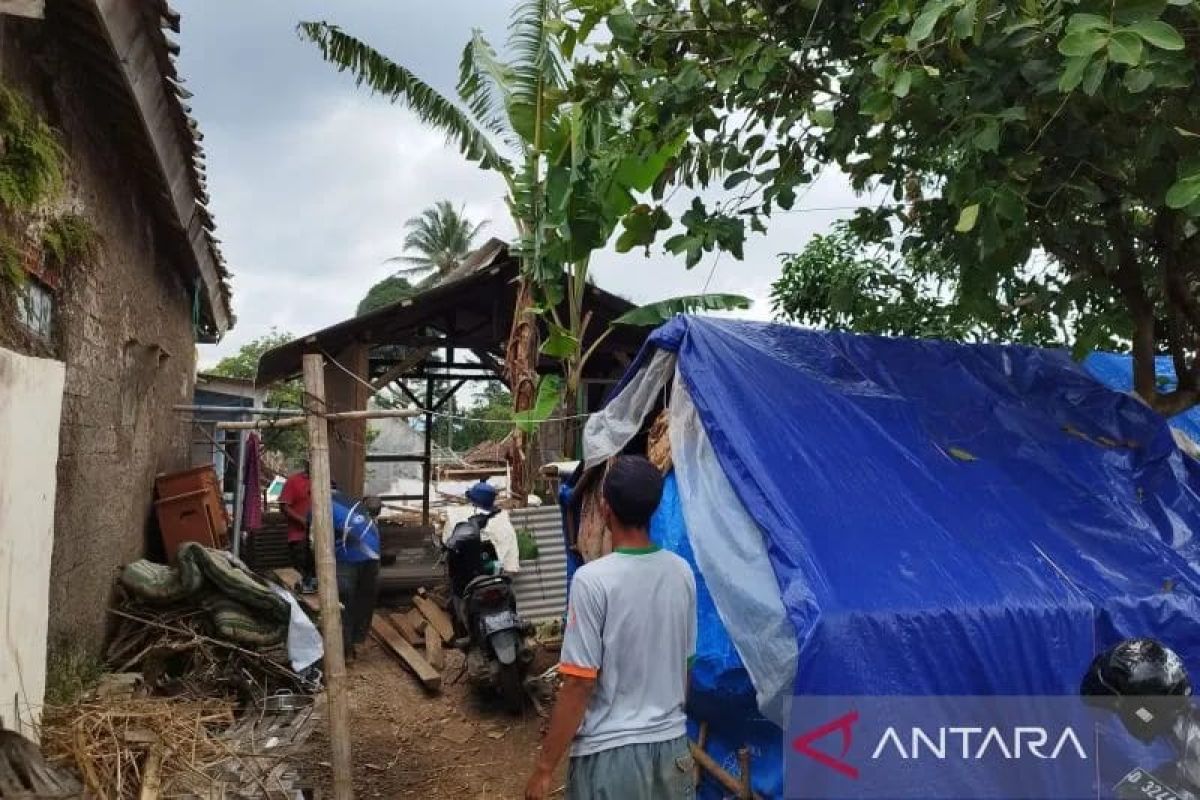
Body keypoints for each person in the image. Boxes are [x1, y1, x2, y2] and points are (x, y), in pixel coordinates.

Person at [525, 455, 697, 800]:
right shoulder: (682, 573)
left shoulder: (592, 581)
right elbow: (686, 668)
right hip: (673, 752)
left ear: (605, 508)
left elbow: (577, 683)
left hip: (612, 757)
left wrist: (545, 768)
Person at [330, 489, 381, 660]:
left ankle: (352, 645)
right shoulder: (347, 516)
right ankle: (349, 647)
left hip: (362, 564)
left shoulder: (362, 519)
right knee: (350, 603)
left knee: (355, 603)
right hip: (349, 565)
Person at [279, 461, 316, 593]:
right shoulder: (294, 481)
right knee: (302, 571)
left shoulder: (326, 481)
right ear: (307, 465)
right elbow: (284, 506)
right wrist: (303, 521)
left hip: (319, 537)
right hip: (299, 536)